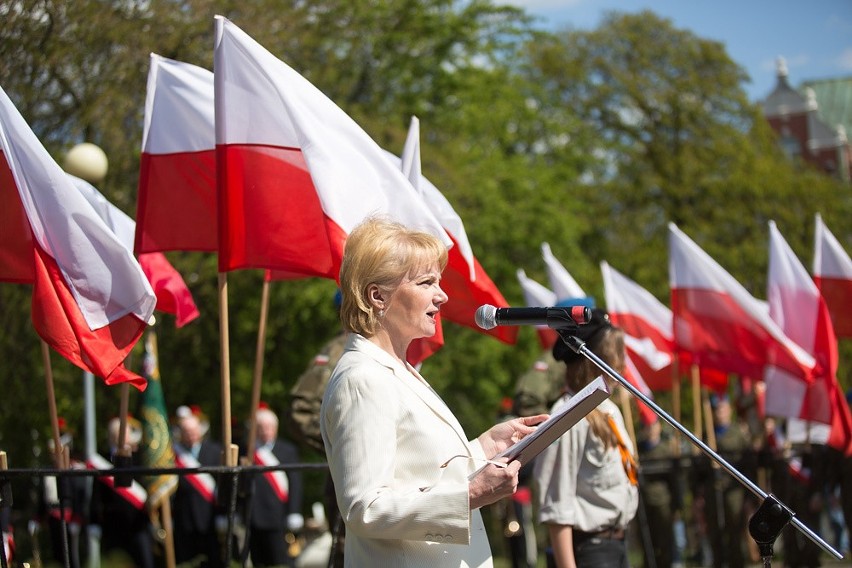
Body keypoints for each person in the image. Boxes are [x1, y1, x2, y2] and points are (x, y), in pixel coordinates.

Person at [320, 217, 547, 567]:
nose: (441, 296)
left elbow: (420, 471)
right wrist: (470, 495)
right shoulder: (362, 378)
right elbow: (365, 508)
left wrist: (484, 448)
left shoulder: (398, 369)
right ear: (377, 296)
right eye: (426, 282)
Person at [533, 309, 639, 568]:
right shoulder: (569, 417)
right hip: (589, 552)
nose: (622, 367)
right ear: (593, 361)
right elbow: (556, 505)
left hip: (617, 544)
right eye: (614, 358)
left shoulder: (609, 410)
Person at [89, 416, 155, 568]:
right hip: (113, 525)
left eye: (123, 432)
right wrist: (94, 521)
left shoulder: (140, 458)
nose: (120, 436)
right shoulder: (103, 461)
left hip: (139, 523)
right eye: (116, 433)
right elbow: (96, 495)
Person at [247, 405, 304, 567]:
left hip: (279, 515)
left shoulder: (287, 450)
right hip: (254, 517)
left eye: (269, 427)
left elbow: (295, 482)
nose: (265, 431)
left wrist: (294, 511)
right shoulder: (248, 451)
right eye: (260, 427)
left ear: (276, 428)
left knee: (281, 561)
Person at [172, 405, 223, 567]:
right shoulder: (174, 454)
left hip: (210, 517)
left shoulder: (215, 451)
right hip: (184, 517)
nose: (191, 435)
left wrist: (223, 513)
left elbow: (223, 484)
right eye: (186, 431)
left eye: (194, 430)